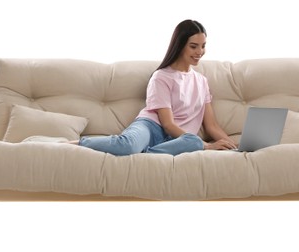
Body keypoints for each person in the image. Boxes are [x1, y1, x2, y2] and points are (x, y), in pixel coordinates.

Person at [74, 19, 237, 156]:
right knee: (129, 146)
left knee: (191, 141)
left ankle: (148, 152)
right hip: (151, 127)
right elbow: (168, 125)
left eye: (203, 46)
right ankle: (77, 143)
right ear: (180, 46)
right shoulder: (161, 76)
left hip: (178, 140)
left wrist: (234, 146)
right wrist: (205, 145)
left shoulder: (201, 81)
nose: (200, 51)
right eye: (193, 46)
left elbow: (211, 126)